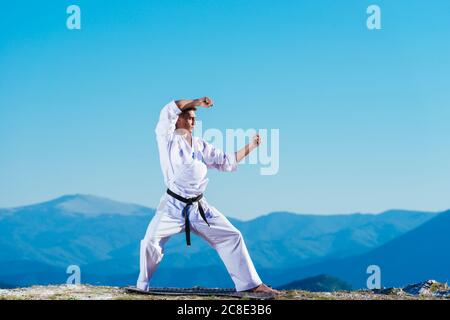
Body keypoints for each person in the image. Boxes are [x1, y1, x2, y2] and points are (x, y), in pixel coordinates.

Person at [136, 97, 280, 295]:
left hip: (199, 207)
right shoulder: (166, 139)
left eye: (195, 118)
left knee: (232, 236)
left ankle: (252, 285)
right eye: (189, 117)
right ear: (177, 119)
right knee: (151, 240)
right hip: (172, 207)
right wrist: (197, 101)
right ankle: (142, 286)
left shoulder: (200, 145)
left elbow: (226, 162)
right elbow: (168, 110)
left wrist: (252, 146)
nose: (193, 122)